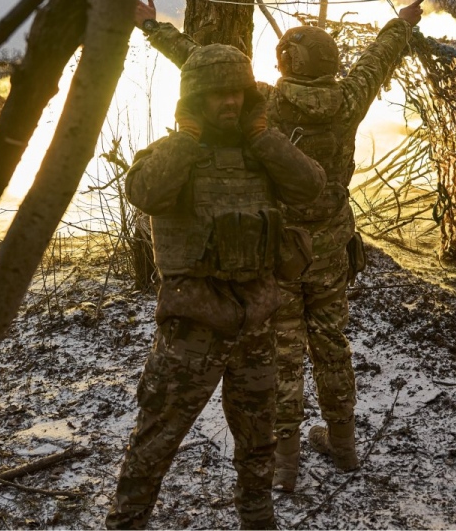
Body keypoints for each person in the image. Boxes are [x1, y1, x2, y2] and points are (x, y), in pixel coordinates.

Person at [133, 0, 425, 492]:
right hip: (332, 249)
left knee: (285, 351)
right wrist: (400, 24)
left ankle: (286, 463)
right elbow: (379, 58)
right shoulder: (350, 99)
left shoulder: (264, 99)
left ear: (289, 64)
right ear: (330, 64)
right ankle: (344, 443)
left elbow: (201, 64)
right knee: (333, 344)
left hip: (281, 253)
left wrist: (154, 28)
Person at [106, 44, 326, 530]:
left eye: (236, 93)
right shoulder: (174, 154)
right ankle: (126, 522)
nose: (228, 102)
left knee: (258, 436)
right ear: (195, 99)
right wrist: (186, 139)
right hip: (194, 328)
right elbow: (144, 192)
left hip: (256, 322)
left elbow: (311, 186)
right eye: (216, 94)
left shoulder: (263, 152)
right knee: (157, 437)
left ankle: (257, 517)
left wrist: (265, 139)